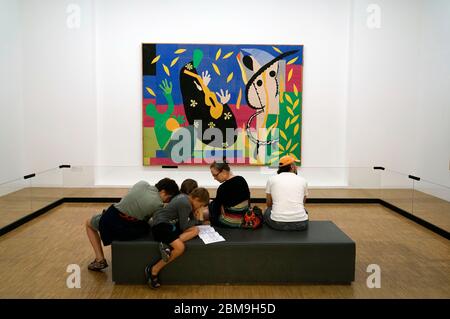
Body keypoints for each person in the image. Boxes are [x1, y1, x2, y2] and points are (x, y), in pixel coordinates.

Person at [85, 178, 179, 271]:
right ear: (163, 192)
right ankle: (100, 259)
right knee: (149, 225)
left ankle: (100, 259)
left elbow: (128, 201)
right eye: (169, 198)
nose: (167, 201)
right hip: (126, 228)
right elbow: (149, 220)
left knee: (88, 223)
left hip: (110, 218)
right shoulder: (158, 204)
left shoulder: (142, 183)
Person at [145, 187, 210, 288]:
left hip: (168, 225)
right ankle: (153, 270)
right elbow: (184, 226)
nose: (199, 208)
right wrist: (198, 218)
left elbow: (185, 222)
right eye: (200, 205)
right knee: (180, 248)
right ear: (196, 199)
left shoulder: (184, 197)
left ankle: (167, 244)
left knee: (195, 230)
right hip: (161, 227)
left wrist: (194, 219)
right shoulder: (185, 204)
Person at [264, 155, 309, 231]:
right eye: (295, 165)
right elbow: (303, 203)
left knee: (267, 210)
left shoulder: (271, 180)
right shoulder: (303, 180)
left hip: (277, 223)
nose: (296, 167)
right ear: (292, 167)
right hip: (301, 223)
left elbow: (268, 203)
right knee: (304, 210)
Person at [206, 161, 251, 228]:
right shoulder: (241, 179)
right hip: (245, 219)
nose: (214, 178)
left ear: (223, 171)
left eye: (215, 175)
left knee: (210, 206)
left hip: (231, 222)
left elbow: (216, 211)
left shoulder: (223, 188)